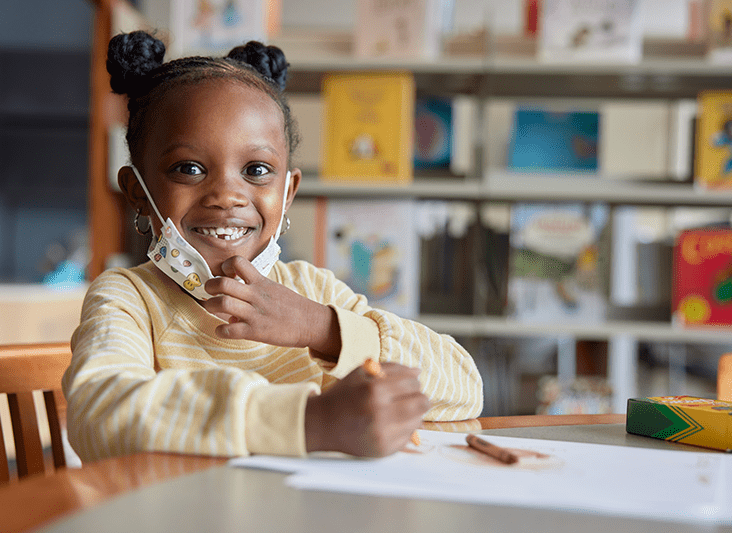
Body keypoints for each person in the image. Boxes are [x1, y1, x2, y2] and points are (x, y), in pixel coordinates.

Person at [62, 30, 483, 462]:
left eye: (257, 169)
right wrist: (311, 422)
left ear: (288, 191)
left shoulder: (311, 292)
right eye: (188, 169)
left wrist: (324, 328)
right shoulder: (129, 299)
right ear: (136, 190)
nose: (227, 195)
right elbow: (101, 412)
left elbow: (465, 387)